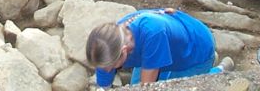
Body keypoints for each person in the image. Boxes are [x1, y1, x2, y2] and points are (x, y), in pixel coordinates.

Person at [86, 8, 233, 86]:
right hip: (163, 50)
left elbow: (148, 87)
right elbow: (103, 72)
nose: (107, 70)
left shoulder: (153, 34)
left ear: (124, 52)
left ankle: (215, 72)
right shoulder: (112, 39)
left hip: (195, 50)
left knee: (184, 86)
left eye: (110, 67)